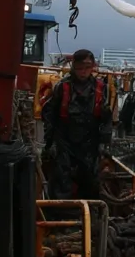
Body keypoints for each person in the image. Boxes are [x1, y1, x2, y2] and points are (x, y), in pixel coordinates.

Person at [42, 48, 112, 199]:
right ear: (74, 66)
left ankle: (88, 214)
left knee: (90, 180)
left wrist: (104, 144)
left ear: (93, 67)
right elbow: (49, 114)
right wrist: (50, 142)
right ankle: (60, 215)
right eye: (80, 67)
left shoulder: (101, 88)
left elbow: (106, 118)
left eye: (88, 67)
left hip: (89, 141)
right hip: (64, 139)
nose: (83, 72)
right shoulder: (62, 87)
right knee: (61, 178)